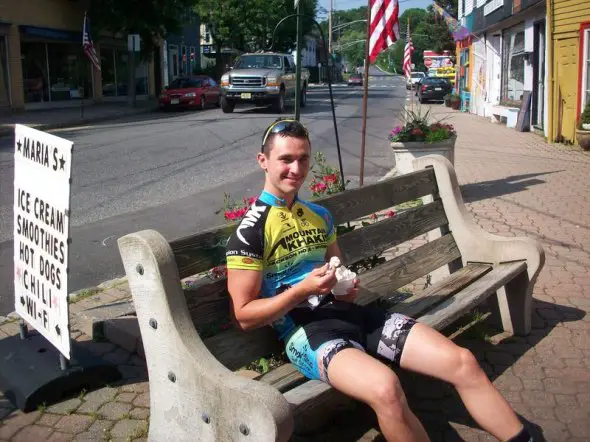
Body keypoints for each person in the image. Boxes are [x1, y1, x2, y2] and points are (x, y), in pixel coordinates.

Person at [225, 118, 534, 442]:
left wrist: (344, 287)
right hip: (308, 334)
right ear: (263, 161)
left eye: (303, 158)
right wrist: (303, 289)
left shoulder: (320, 216)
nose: (296, 168)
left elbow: (338, 273)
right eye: (286, 159)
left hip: (353, 316)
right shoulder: (250, 232)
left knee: (462, 361)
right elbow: (244, 316)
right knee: (386, 388)